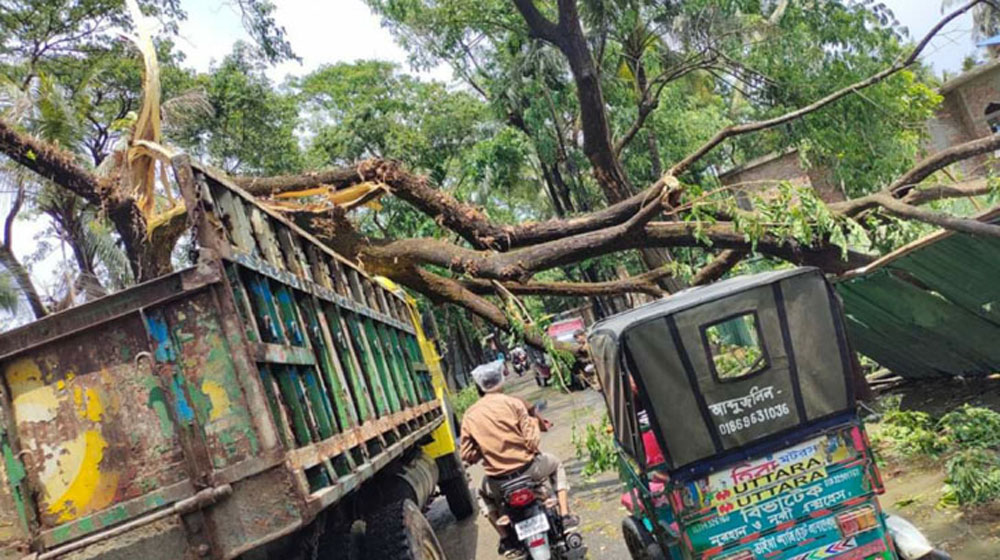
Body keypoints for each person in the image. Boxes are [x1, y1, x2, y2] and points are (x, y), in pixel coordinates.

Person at [461, 362, 577, 556]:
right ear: (502, 380)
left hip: (499, 483)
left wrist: (486, 449)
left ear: (479, 387)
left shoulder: (470, 415)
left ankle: (506, 538)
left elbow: (467, 455)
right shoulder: (514, 403)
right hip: (530, 471)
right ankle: (565, 516)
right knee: (556, 463)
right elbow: (532, 442)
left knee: (481, 493)